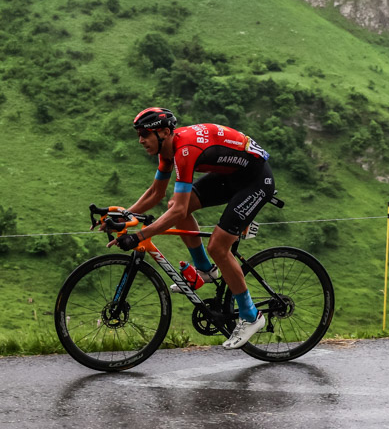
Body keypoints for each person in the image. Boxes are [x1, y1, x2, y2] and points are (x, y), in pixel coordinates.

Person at [109, 107, 275, 350]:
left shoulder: (184, 151)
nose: (141, 140)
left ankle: (251, 316)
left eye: (145, 133)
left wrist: (139, 236)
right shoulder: (167, 150)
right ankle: (206, 270)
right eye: (139, 134)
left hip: (255, 180)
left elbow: (176, 212)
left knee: (218, 246)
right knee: (176, 205)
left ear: (165, 132)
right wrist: (122, 215)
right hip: (230, 176)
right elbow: (157, 193)